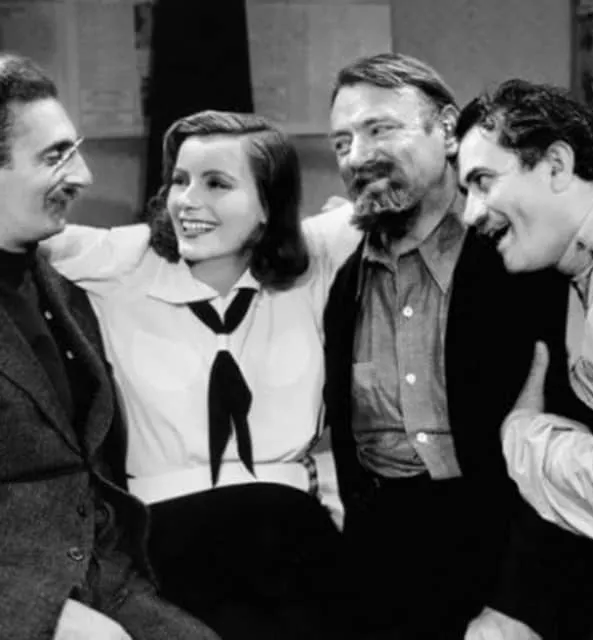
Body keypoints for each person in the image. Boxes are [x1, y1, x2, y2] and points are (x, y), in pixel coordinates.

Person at [43, 109, 362, 639]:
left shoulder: (315, 259)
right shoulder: (124, 259)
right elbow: (19, 227)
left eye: (217, 183)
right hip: (165, 551)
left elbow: (414, 200)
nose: (188, 201)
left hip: (295, 550)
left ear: (268, 204)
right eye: (179, 180)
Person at [324, 52, 593, 640]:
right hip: (379, 576)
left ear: (448, 129)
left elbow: (576, 439)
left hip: (509, 567)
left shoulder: (524, 257)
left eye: (380, 129)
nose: (357, 156)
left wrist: (520, 604)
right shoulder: (346, 285)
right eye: (342, 142)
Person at [0, 53, 222, 640]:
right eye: (55, 156)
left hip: (108, 578)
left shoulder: (61, 289)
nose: (83, 176)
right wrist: (31, 613)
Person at [456, 78, 593, 639]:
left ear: (557, 165)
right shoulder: (588, 269)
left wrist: (523, 432)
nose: (470, 214)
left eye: (483, 181)